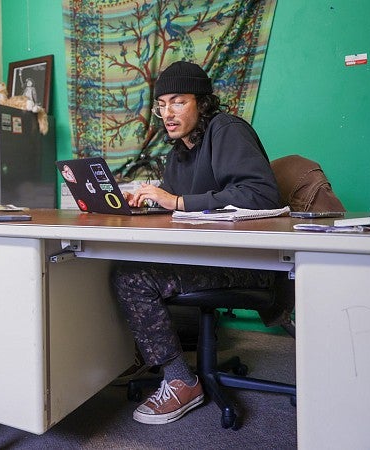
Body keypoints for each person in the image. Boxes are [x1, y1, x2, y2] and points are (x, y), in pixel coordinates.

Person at [113, 61, 281, 425]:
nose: (167, 113)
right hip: (209, 257)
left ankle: (180, 382)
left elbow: (262, 194)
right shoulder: (181, 150)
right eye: (161, 104)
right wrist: (148, 202)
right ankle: (152, 357)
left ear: (202, 103)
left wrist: (174, 201)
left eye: (178, 102)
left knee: (131, 277)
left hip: (247, 265)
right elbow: (178, 210)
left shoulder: (227, 130)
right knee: (119, 259)